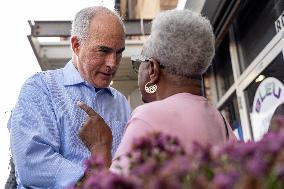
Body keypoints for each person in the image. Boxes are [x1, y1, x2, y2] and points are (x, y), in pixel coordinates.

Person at [78, 8, 237, 175]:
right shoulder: (219, 120)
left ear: (153, 69)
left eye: (140, 64)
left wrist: (100, 148)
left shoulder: (148, 116)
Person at [8, 6, 131, 188]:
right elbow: (32, 165)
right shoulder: (41, 89)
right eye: (103, 51)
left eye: (119, 52)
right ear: (76, 45)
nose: (112, 63)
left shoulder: (121, 103)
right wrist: (94, 178)